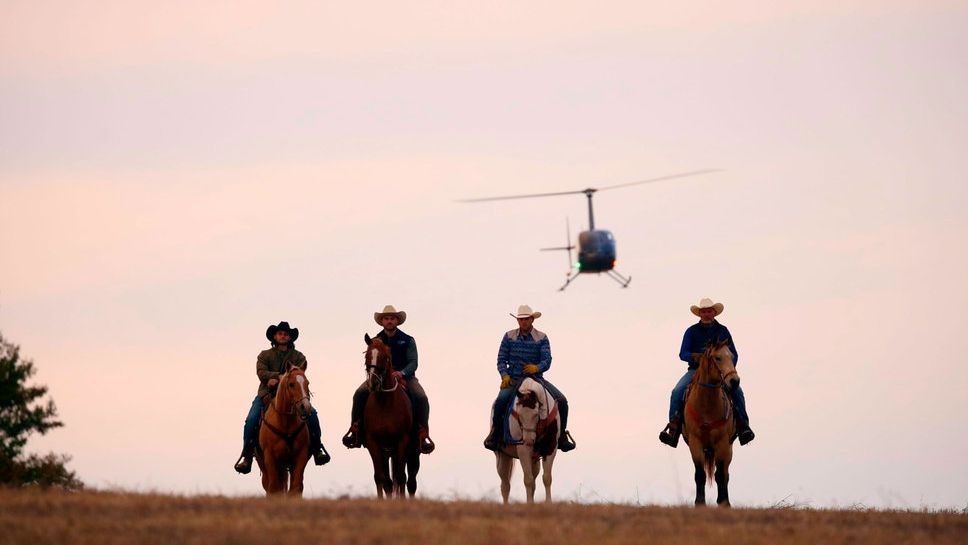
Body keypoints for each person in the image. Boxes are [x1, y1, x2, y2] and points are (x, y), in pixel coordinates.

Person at [234, 321, 330, 474]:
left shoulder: (298, 356)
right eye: (280, 333)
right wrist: (271, 377)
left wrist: (279, 378)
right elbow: (261, 372)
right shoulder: (264, 355)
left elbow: (299, 372)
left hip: (293, 396)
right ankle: (247, 455)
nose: (283, 336)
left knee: (312, 415)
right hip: (266, 394)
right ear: (274, 336)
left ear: (290, 337)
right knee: (251, 419)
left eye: (286, 334)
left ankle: (318, 448)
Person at [659, 298, 755, 448]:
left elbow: (733, 354)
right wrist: (695, 357)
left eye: (709, 311)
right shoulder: (691, 331)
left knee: (738, 392)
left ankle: (743, 426)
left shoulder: (723, 331)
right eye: (703, 311)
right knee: (677, 391)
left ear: (714, 312)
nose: (706, 314)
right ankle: (673, 429)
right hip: (696, 370)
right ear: (699, 314)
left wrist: (727, 370)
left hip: (720, 372)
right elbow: (682, 353)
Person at [342, 305, 436, 454]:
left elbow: (413, 362)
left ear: (397, 321)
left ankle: (422, 432)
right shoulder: (375, 341)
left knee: (421, 396)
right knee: (359, 393)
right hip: (380, 376)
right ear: (382, 322)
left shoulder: (408, 340)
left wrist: (401, 373)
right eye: (386, 318)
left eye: (392, 318)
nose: (389, 321)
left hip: (405, 376)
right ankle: (355, 429)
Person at [483, 304, 576, 452]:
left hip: (536, 379)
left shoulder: (542, 337)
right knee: (501, 401)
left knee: (562, 401)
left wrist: (537, 368)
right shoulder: (509, 336)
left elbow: (547, 359)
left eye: (526, 319)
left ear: (532, 319)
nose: (523, 322)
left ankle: (561, 437)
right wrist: (504, 375)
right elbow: (501, 359)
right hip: (513, 378)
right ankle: (495, 435)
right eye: (520, 320)